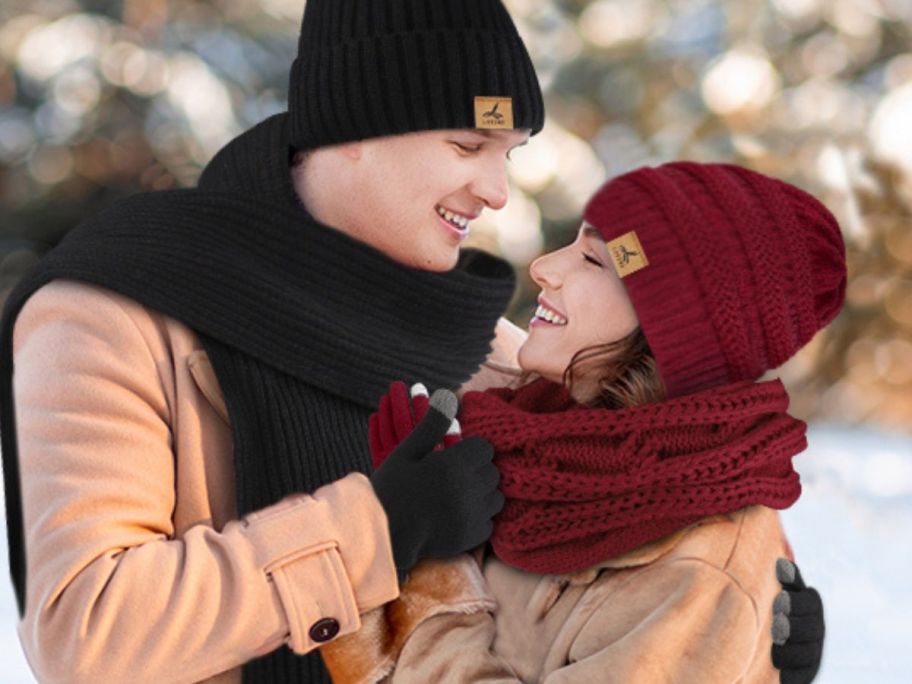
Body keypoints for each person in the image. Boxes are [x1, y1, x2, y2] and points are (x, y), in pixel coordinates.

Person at [0, 1, 543, 682]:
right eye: (467, 147)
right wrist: (376, 528)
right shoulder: (114, 312)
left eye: (510, 153)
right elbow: (88, 633)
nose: (498, 191)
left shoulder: (491, 352)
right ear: (355, 126)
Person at [324, 161, 840, 683]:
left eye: (593, 259)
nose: (544, 266)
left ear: (673, 332)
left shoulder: (696, 573)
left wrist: (425, 569)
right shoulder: (519, 429)